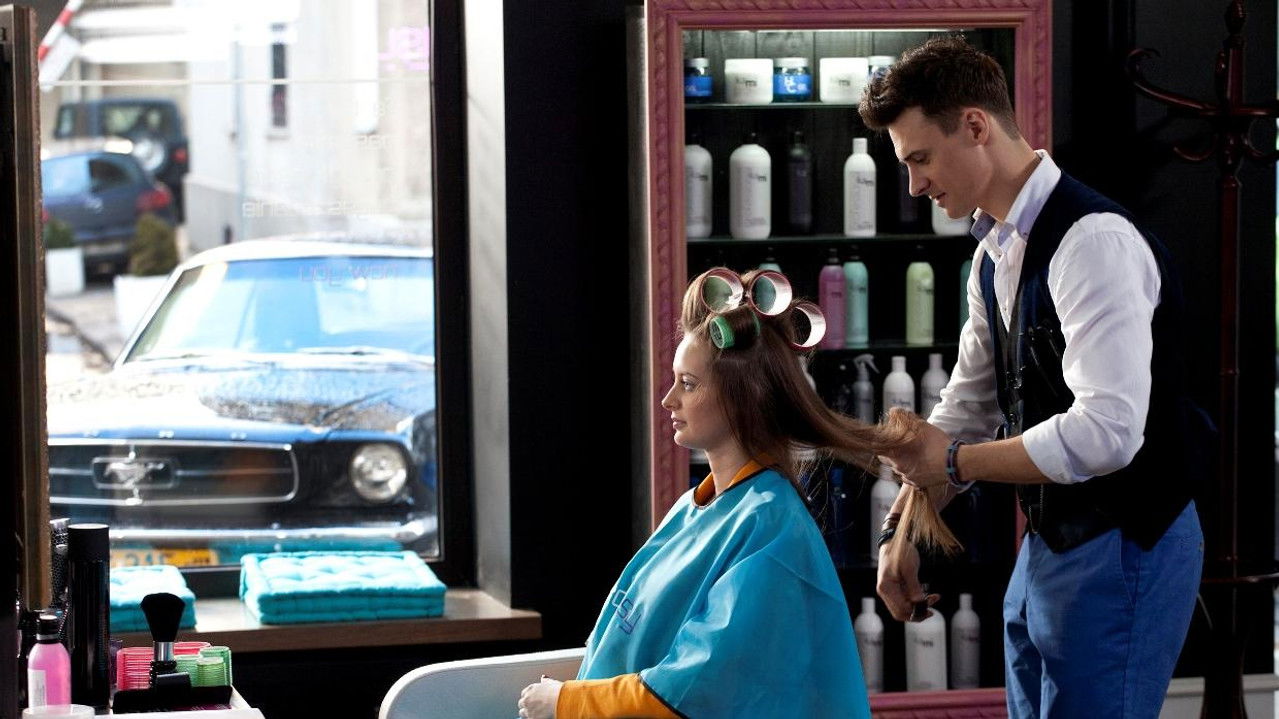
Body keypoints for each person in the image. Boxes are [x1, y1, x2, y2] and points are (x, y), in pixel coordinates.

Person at [860, 36, 1206, 718]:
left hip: (1124, 542)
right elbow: (968, 402)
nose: (915, 186)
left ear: (975, 126)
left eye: (920, 158)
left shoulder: (1093, 242)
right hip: (1048, 548)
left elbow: (1106, 434)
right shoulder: (992, 252)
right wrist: (902, 530)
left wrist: (953, 462)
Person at [516, 268, 911, 719]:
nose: (668, 400)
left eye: (688, 384)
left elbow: (703, 686)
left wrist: (570, 702)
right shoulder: (694, 508)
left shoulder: (771, 529)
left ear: (741, 397)